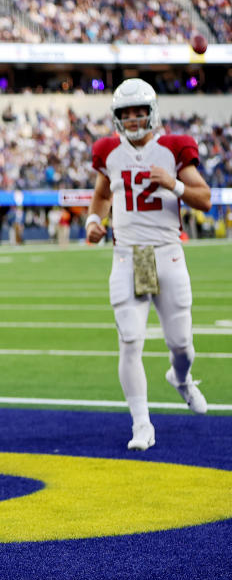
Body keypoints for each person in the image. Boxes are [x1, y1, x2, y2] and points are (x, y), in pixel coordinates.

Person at [86, 78, 211, 451]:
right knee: (129, 340)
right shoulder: (108, 150)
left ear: (152, 112)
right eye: (127, 113)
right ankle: (142, 423)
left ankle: (182, 379)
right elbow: (101, 196)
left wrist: (173, 185)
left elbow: (204, 199)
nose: (135, 119)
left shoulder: (172, 148)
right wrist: (94, 221)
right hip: (131, 255)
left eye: (140, 112)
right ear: (117, 117)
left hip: (166, 252)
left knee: (181, 343)